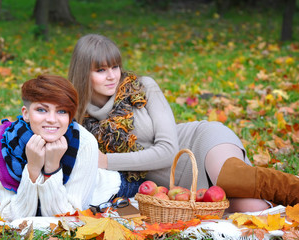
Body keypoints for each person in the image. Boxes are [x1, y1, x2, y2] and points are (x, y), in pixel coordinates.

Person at [68, 33, 299, 213]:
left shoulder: (142, 88)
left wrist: (107, 161)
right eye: (100, 70)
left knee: (232, 178)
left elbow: (169, 151)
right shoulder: (77, 121)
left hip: (198, 144)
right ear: (82, 74)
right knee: (254, 209)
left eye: (114, 67)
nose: (112, 76)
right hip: (172, 190)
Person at [0, 75, 136, 222]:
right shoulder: (5, 143)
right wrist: (33, 168)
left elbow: (68, 217)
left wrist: (52, 168)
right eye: (41, 110)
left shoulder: (84, 143)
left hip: (113, 190)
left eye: (61, 111)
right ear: (26, 113)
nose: (52, 119)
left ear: (70, 116)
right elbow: (11, 216)